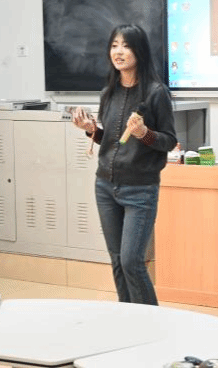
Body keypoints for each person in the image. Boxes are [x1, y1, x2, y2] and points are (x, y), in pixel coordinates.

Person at [71, 24, 177, 305]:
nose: (118, 52)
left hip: (140, 189)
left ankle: (151, 322)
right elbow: (112, 140)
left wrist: (144, 133)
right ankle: (126, 318)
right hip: (105, 186)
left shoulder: (156, 93)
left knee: (132, 262)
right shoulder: (108, 92)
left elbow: (168, 141)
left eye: (126, 46)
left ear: (139, 51)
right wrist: (90, 129)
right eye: (114, 45)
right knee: (117, 260)